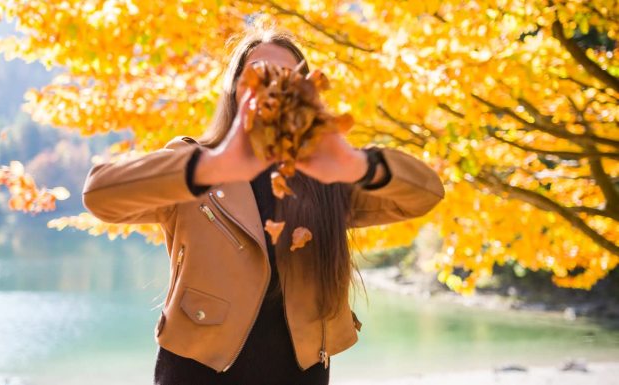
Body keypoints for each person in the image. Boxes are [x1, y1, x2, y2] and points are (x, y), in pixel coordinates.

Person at [82, 27, 445, 385]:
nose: (272, 86)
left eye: (286, 77)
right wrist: (213, 166)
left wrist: (356, 164)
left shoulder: (329, 181)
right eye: (256, 74)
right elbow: (99, 195)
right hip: (196, 373)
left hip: (300, 376)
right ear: (234, 90)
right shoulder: (195, 164)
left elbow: (425, 193)